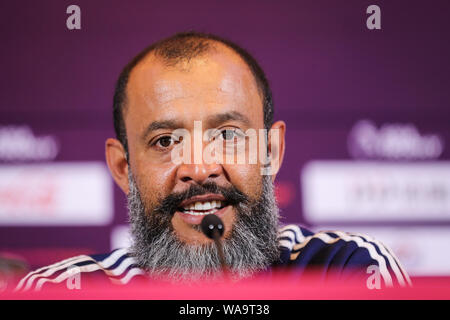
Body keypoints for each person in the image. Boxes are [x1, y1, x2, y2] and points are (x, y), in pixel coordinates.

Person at [16, 32, 411, 291]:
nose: (199, 167)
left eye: (228, 135)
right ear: (124, 168)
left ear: (270, 152)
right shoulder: (60, 291)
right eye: (166, 140)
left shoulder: (346, 270)